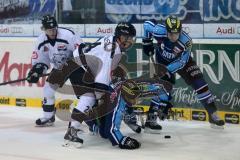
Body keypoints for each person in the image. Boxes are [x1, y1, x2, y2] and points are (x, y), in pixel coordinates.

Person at [140, 15, 225, 133]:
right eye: (170, 34)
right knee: (161, 88)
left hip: (182, 61)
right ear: (166, 30)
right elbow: (147, 24)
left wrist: (167, 71)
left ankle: (213, 114)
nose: (173, 37)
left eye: (176, 34)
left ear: (180, 31)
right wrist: (146, 41)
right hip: (162, 61)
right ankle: (151, 120)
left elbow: (182, 62)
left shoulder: (187, 41)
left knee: (200, 82)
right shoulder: (159, 30)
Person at [63, 22, 138, 149]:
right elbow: (101, 81)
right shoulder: (113, 51)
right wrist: (103, 100)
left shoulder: (113, 42)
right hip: (77, 67)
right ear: (120, 37)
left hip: (82, 66)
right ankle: (72, 131)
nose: (130, 41)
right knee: (90, 97)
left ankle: (89, 122)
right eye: (128, 38)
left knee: (94, 98)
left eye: (131, 38)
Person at [27, 14, 84, 126]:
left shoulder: (68, 35)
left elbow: (81, 51)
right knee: (48, 90)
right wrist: (37, 71)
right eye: (49, 30)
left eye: (54, 29)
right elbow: (41, 60)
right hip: (59, 68)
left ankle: (95, 121)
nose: (52, 32)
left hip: (75, 66)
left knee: (84, 94)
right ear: (43, 29)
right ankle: (48, 117)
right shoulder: (40, 40)